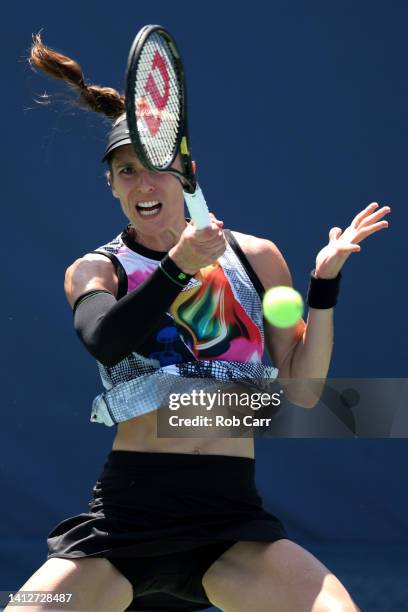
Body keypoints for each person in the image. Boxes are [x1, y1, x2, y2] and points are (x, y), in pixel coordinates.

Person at [10, 32, 390, 612]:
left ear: (187, 173)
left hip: (231, 527)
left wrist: (323, 286)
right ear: (110, 184)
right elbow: (105, 342)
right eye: (127, 172)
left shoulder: (258, 259)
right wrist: (180, 267)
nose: (144, 184)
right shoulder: (96, 270)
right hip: (124, 525)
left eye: (157, 169)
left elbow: (305, 392)